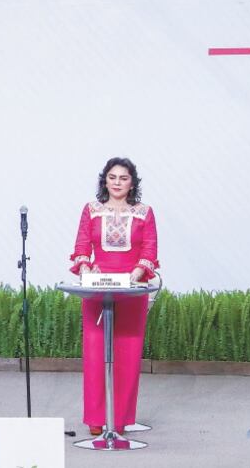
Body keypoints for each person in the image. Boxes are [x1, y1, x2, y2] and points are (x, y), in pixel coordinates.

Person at [69, 157, 159, 437]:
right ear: (104, 180)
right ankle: (96, 418)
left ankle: (120, 419)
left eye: (123, 178)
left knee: (127, 352)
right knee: (95, 352)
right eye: (112, 177)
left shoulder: (145, 212)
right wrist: (85, 267)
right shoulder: (91, 210)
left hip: (131, 287)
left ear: (132, 183)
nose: (117, 182)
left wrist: (136, 273)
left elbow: (149, 249)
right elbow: (82, 245)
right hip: (97, 287)